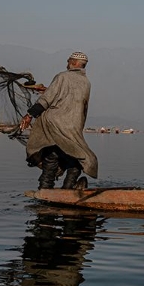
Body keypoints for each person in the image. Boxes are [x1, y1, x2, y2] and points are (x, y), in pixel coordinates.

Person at [20, 52, 98, 190]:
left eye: (68, 61)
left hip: (54, 125)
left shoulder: (62, 77)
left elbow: (47, 100)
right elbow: (70, 98)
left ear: (73, 63)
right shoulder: (86, 82)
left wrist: (29, 115)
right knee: (77, 160)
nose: (66, 63)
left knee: (52, 158)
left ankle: (46, 191)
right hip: (72, 127)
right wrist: (47, 90)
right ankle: (66, 189)